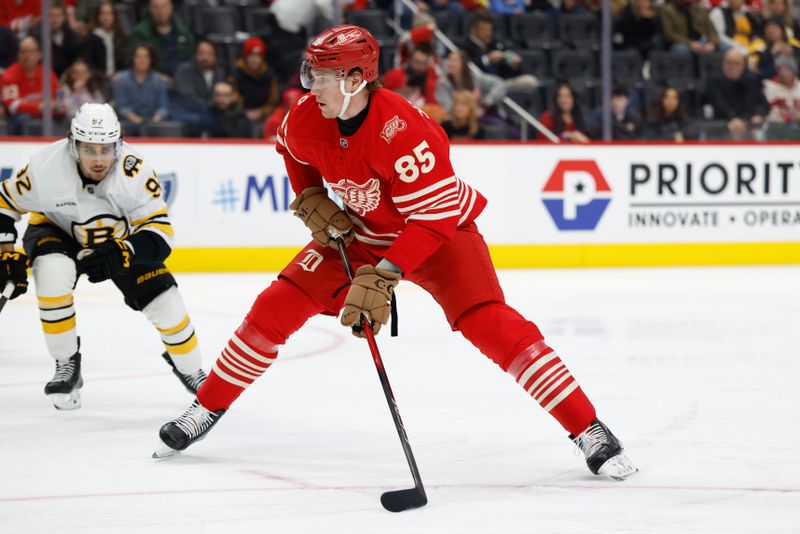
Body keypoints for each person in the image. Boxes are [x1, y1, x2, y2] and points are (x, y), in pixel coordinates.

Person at [153, 25, 637, 483]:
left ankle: (589, 428)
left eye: (320, 76)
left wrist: (384, 274)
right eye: (310, 74)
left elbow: (432, 218)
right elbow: (292, 152)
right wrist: (310, 196)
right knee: (276, 305)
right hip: (363, 234)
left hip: (439, 234)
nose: (309, 86)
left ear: (356, 78)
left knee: (491, 323)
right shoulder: (305, 115)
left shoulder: (407, 133)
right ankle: (207, 406)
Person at [0, 103, 207, 410]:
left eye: (106, 150)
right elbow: (5, 204)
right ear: (73, 146)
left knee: (168, 305)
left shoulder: (135, 171)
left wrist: (126, 251)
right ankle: (66, 363)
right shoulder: (44, 166)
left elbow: (161, 233)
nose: (98, 160)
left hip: (118, 240)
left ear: (118, 145)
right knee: (52, 272)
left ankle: (192, 370)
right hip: (56, 229)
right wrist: (4, 254)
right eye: (89, 150)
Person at [112, 43, 169, 136]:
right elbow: (122, 106)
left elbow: (163, 107)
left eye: (146, 57)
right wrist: (138, 120)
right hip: (128, 123)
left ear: (151, 60)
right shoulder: (121, 79)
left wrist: (155, 119)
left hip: (153, 123)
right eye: (138, 57)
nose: (142, 61)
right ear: (133, 59)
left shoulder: (158, 79)